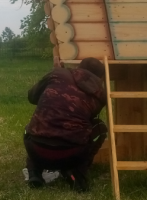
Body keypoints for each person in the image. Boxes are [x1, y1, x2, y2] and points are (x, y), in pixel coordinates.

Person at [24, 57, 108, 192]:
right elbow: (89, 118)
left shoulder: (57, 74)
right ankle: (77, 172)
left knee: (36, 126)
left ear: (79, 67)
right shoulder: (101, 95)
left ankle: (35, 173)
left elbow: (32, 97)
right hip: (71, 154)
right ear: (100, 75)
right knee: (100, 128)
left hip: (36, 150)